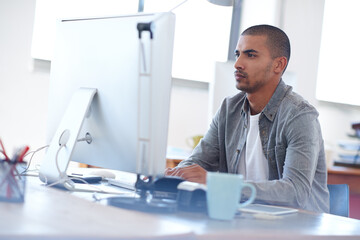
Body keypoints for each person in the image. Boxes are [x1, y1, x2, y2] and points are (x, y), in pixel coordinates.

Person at [165, 24, 329, 213]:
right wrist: (175, 175)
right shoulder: (229, 109)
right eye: (238, 54)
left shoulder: (300, 115)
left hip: (297, 227)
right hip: (243, 219)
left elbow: (295, 192)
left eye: (250, 55)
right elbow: (197, 163)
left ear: (279, 65)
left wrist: (218, 183)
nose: (237, 64)